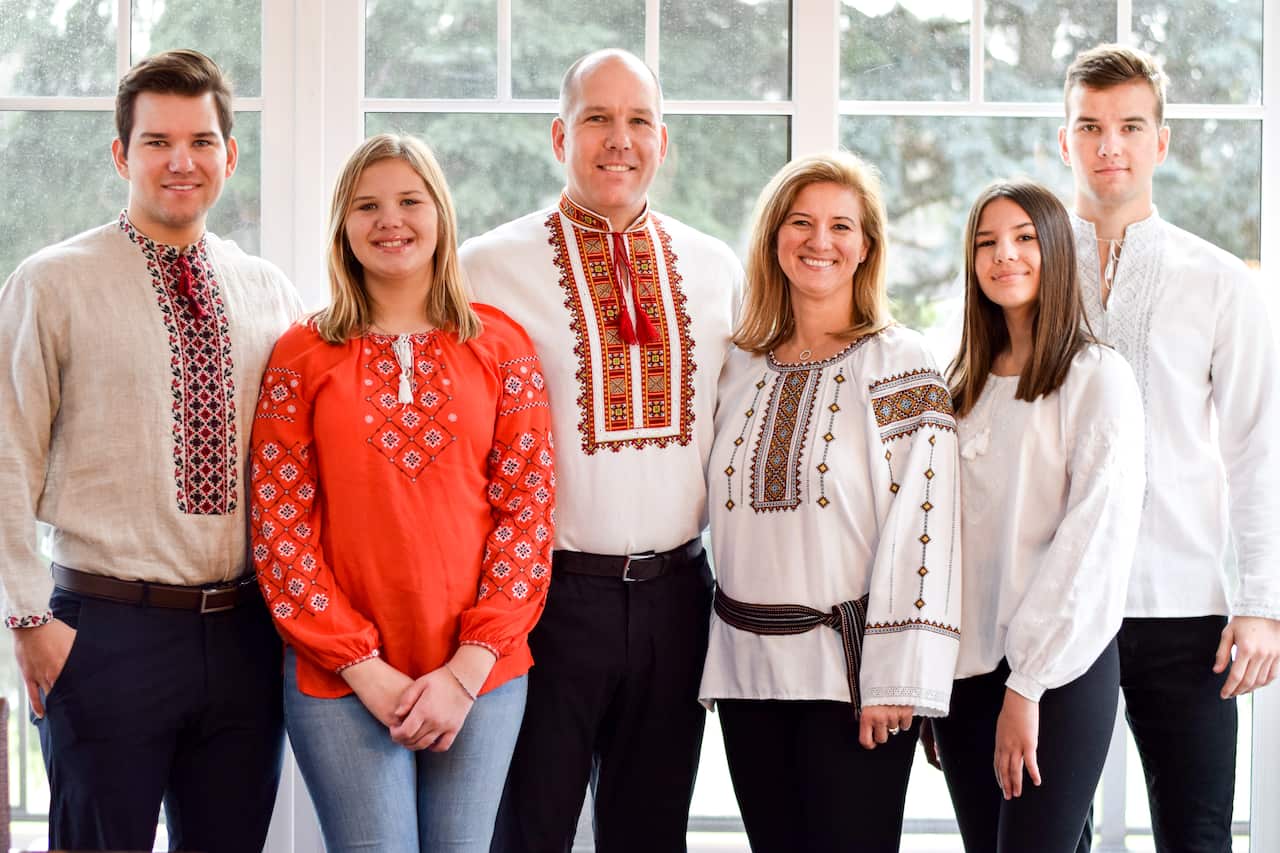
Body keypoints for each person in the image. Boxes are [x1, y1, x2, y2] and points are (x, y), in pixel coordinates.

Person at [0, 49, 299, 852]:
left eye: (201, 141)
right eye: (157, 141)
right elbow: (6, 454)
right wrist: (29, 620)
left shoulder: (270, 291)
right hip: (103, 633)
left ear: (230, 156)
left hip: (245, 637)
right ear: (120, 154)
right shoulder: (53, 282)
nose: (181, 161)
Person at [460, 49, 741, 852]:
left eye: (638, 120)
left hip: (678, 597)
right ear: (560, 136)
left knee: (650, 835)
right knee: (530, 830)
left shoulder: (716, 268)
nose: (620, 139)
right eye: (597, 119)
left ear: (663, 140)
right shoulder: (485, 269)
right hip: (547, 600)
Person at [248, 133, 554, 853]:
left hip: (481, 674)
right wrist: (363, 667)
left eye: (410, 201)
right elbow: (280, 526)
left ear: (440, 214)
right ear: (343, 225)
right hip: (340, 679)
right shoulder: (301, 355)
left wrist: (468, 667)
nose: (391, 220)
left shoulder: (502, 346)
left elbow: (527, 513)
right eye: (367, 206)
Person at [696, 152, 961, 852]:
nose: (820, 241)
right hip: (748, 675)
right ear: (773, 237)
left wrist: (897, 677)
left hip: (854, 680)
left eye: (842, 226)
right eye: (801, 222)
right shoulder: (738, 365)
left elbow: (927, 526)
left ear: (866, 246)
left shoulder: (901, 362)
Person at [1058, 45, 1280, 852]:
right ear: (1064, 141)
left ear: (1161, 141)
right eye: (1090, 126)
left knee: (1197, 835)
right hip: (1053, 604)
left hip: (1184, 608)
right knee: (1050, 835)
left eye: (1129, 126)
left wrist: (1261, 602)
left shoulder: (1219, 280)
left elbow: (1257, 445)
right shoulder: (1027, 273)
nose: (1109, 145)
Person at [929, 179, 1144, 851]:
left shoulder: (1096, 377)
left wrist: (1026, 686)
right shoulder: (959, 381)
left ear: (1054, 248)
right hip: (965, 672)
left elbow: (1092, 542)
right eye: (986, 242)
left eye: (1024, 238)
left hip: (1057, 671)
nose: (1005, 255)